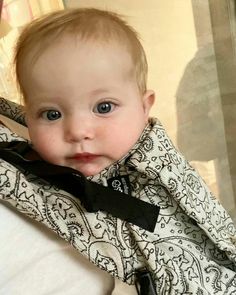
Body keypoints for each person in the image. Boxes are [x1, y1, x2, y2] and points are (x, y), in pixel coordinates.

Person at [0, 8, 236, 294]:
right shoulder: (30, 168)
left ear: (144, 106)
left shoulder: (154, 165)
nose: (78, 130)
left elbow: (211, 231)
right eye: (51, 114)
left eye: (104, 107)